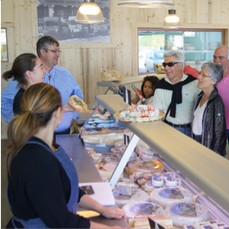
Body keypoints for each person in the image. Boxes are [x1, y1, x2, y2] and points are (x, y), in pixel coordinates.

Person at [5, 83, 124, 228]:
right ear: (58, 113)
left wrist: (102, 209)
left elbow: (68, 190)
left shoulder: (45, 147)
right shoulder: (38, 162)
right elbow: (61, 222)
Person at [1, 36, 84, 134]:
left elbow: (78, 96)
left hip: (63, 133)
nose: (58, 54)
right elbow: (5, 102)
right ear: (43, 52)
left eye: (59, 51)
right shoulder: (21, 85)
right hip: (38, 137)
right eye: (54, 51)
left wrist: (72, 117)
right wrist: (18, 125)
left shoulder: (65, 73)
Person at [153, 50, 201, 136]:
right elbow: (157, 112)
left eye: (170, 64)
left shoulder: (194, 84)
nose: (166, 68)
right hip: (167, 129)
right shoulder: (161, 85)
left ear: (181, 65)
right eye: (165, 64)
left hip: (189, 130)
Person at [191, 62, 226, 156]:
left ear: (213, 81)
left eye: (203, 75)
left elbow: (219, 135)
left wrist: (214, 157)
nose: (198, 77)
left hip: (206, 147)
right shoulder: (199, 97)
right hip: (196, 144)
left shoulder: (216, 102)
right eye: (199, 73)